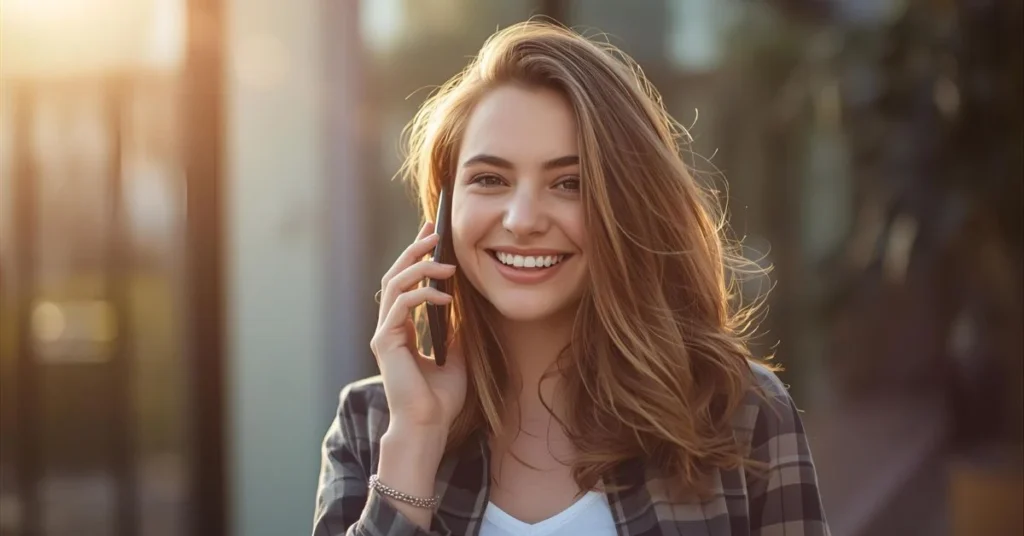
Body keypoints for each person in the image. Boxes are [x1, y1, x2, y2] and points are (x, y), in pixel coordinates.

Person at [313, 20, 829, 536]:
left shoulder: (739, 413)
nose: (522, 220)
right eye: (489, 179)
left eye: (569, 183)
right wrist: (417, 438)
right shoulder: (373, 423)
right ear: (445, 211)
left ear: (630, 204)